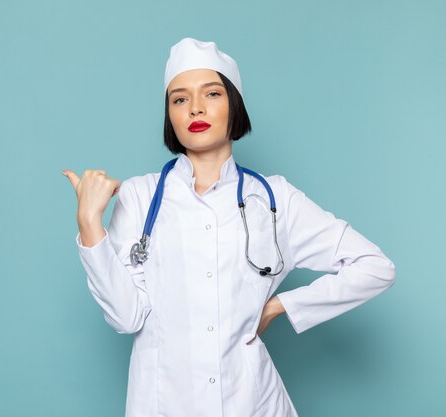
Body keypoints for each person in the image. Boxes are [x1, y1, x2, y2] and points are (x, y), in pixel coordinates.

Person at [62, 37, 396, 417]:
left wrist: (280, 306)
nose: (196, 108)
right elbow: (125, 317)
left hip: (252, 403)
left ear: (234, 105)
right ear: (170, 115)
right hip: (164, 404)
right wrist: (90, 225)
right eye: (180, 99)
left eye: (212, 94)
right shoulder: (140, 197)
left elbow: (375, 267)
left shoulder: (276, 200)